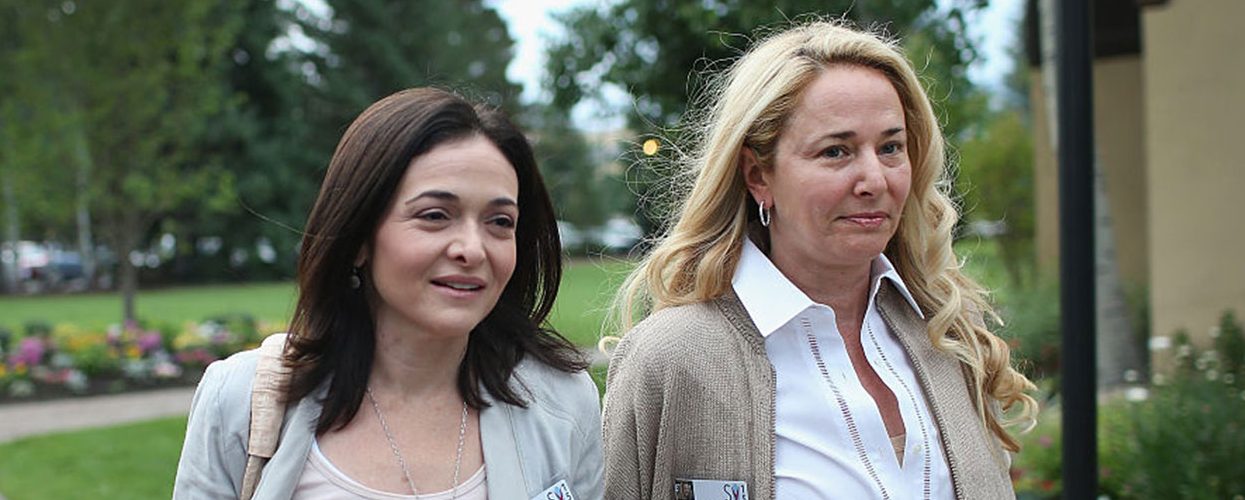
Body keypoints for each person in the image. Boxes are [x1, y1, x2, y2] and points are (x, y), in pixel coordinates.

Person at [602, 21, 1038, 499]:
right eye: (836, 151)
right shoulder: (675, 359)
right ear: (757, 175)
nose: (875, 179)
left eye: (890, 147)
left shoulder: (947, 332)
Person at [174, 88, 604, 500]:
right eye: (435, 216)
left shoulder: (564, 404)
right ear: (359, 237)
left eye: (500, 222)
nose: (472, 250)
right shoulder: (240, 399)